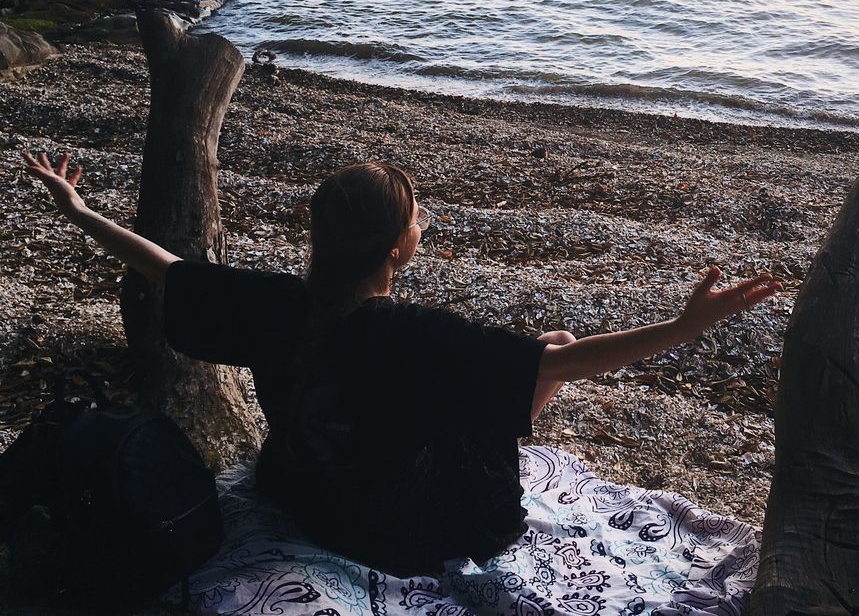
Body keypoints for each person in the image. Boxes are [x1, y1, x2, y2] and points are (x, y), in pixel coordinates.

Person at [20, 151, 782, 576]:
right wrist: (685, 325)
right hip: (405, 528)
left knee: (522, 363)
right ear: (396, 249)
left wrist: (80, 213)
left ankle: (512, 378)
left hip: (302, 487)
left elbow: (167, 269)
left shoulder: (274, 303)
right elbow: (579, 361)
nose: (421, 224)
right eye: (415, 219)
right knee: (543, 356)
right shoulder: (416, 334)